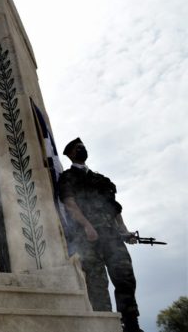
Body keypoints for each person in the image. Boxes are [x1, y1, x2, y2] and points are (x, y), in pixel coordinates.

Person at [58, 137, 143, 332]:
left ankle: (131, 324)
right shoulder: (68, 177)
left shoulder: (100, 179)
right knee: (97, 282)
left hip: (112, 237)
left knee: (125, 277)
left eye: (83, 147)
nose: (82, 149)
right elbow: (70, 204)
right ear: (70, 154)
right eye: (78, 148)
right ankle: (106, 325)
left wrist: (124, 231)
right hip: (87, 238)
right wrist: (87, 226)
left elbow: (115, 209)